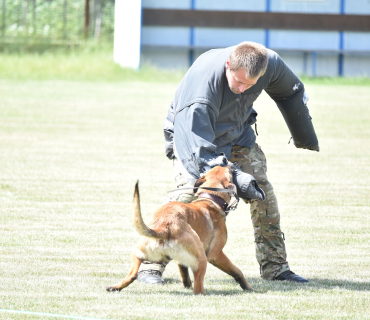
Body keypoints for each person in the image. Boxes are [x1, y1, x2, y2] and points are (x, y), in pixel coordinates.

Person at [137, 41, 319, 285]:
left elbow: (291, 91)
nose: (243, 89)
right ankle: (150, 266)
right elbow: (198, 151)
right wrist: (236, 177)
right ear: (227, 66)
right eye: (239, 82)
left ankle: (275, 267)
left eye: (250, 85)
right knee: (188, 195)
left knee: (262, 192)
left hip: (236, 134)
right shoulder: (201, 94)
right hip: (191, 138)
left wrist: (303, 132)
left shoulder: (269, 64)